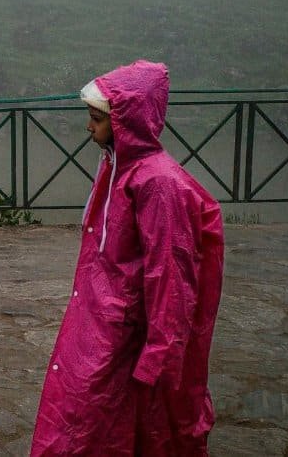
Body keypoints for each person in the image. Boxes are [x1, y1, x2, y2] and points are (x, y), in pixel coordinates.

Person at [31, 60, 225, 455]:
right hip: (106, 320)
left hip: (126, 329)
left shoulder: (156, 183)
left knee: (108, 418)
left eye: (96, 119)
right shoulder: (122, 169)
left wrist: (159, 356)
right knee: (90, 414)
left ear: (125, 121)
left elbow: (171, 275)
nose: (90, 128)